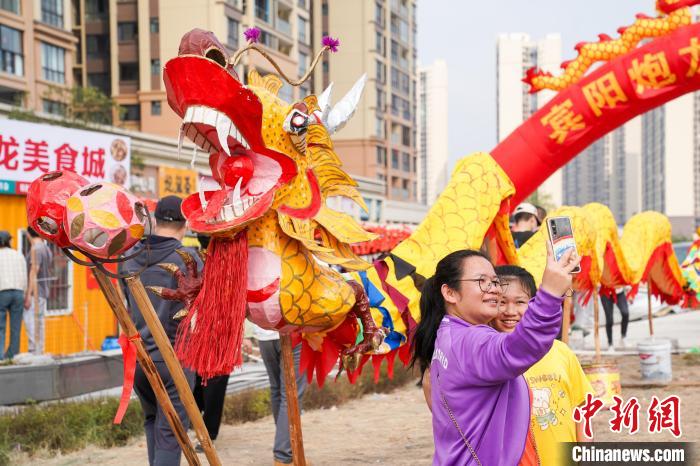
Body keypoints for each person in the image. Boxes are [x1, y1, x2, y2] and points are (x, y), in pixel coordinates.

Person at [411, 242, 580, 466]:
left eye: (494, 282)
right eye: (481, 281)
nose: (494, 289)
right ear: (450, 292)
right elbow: (519, 348)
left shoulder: (447, 334)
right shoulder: (470, 342)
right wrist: (550, 293)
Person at [119, 195, 203, 466]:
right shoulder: (188, 258)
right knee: (171, 431)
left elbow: (126, 305)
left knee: (153, 419)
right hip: (174, 358)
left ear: (155, 221)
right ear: (185, 223)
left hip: (140, 357)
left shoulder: (129, 259)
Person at [493, 265, 594, 465]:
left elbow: (582, 409)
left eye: (519, 302)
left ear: (533, 304)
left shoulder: (561, 352)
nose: (510, 311)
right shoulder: (488, 357)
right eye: (500, 302)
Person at [253, 323, 307, 466]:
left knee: (277, 390)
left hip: (264, 335)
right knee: (291, 394)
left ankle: (288, 448)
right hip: (292, 333)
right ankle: (283, 455)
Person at [24, 227, 53, 354]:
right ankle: (39, 350)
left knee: (30, 321)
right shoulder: (46, 249)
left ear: (28, 235)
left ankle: (34, 349)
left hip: (36, 292)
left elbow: (34, 271)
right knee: (39, 321)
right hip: (44, 289)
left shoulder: (36, 249)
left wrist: (28, 295)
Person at [0, 231, 27, 360]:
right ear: (8, 241)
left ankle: (0, 357)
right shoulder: (18, 255)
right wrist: (25, 294)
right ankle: (13, 356)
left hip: (2, 292)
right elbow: (24, 276)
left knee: (1, 327)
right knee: (16, 327)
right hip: (18, 292)